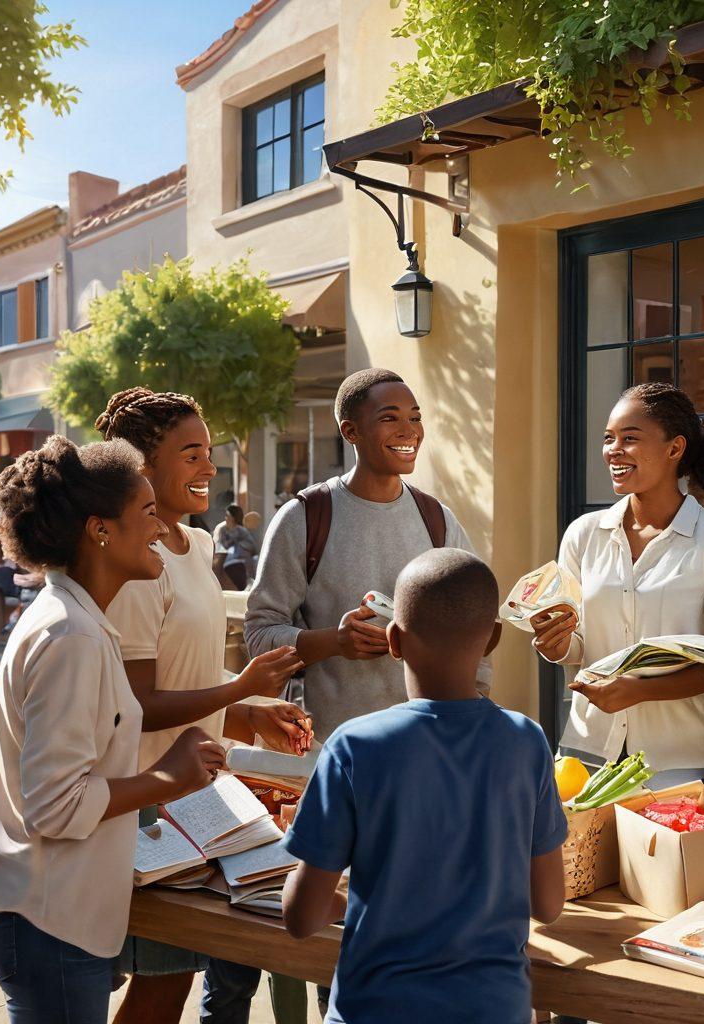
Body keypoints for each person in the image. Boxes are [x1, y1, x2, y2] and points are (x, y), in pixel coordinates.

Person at [245, 368, 491, 1017]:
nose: (408, 430)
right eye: (390, 418)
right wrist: (332, 641)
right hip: (337, 769)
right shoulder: (307, 518)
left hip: (432, 774)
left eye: (413, 416)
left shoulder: (438, 519)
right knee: (333, 940)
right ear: (350, 430)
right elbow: (258, 632)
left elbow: (473, 634)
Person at [0, 435, 226, 1024]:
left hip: (52, 912)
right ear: (100, 530)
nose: (162, 530)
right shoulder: (73, 637)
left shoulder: (79, 621)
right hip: (44, 915)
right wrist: (169, 776)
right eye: (148, 514)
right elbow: (55, 806)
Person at [95, 388, 311, 1024]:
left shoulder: (195, 545)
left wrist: (248, 714)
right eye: (191, 454)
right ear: (141, 465)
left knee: (173, 980)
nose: (209, 468)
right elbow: (136, 702)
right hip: (144, 802)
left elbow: (184, 670)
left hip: (195, 798)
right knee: (153, 988)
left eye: (209, 453)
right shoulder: (138, 562)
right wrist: (240, 690)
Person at [281, 548, 567, 1024]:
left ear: (393, 640)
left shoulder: (354, 746)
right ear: (493, 640)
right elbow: (548, 905)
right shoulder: (525, 742)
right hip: (494, 1009)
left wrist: (342, 893)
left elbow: (302, 918)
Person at [532, 382, 704, 789]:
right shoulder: (583, 535)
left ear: (675, 449)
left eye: (630, 438)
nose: (613, 450)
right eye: (609, 439)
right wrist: (558, 644)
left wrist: (640, 690)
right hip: (585, 757)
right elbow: (578, 645)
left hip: (678, 765)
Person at [212, 503, 257, 590]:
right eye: (226, 516)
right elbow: (222, 544)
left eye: (228, 516)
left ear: (233, 517)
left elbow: (252, 546)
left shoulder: (241, 530)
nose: (226, 518)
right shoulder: (222, 529)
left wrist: (239, 544)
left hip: (241, 557)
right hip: (227, 557)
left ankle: (248, 582)